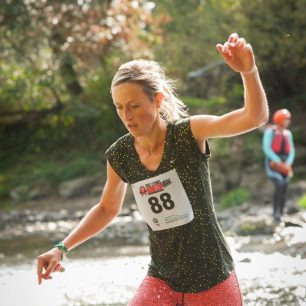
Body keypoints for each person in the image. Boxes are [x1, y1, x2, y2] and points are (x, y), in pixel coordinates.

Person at [37, 33, 268, 305]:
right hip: (162, 278)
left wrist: (248, 71)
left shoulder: (188, 133)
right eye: (120, 107)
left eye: (134, 106)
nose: (127, 116)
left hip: (212, 276)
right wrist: (62, 248)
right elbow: (106, 209)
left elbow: (254, 117)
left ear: (157, 100)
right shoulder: (120, 154)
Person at [263, 109, 295, 223]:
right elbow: (267, 149)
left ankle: (281, 212)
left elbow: (291, 151)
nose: (289, 121)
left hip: (285, 165)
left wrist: (287, 164)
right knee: (279, 184)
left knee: (285, 186)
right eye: (287, 119)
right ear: (281, 120)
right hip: (273, 164)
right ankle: (276, 214)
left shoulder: (288, 133)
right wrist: (278, 162)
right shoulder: (270, 132)